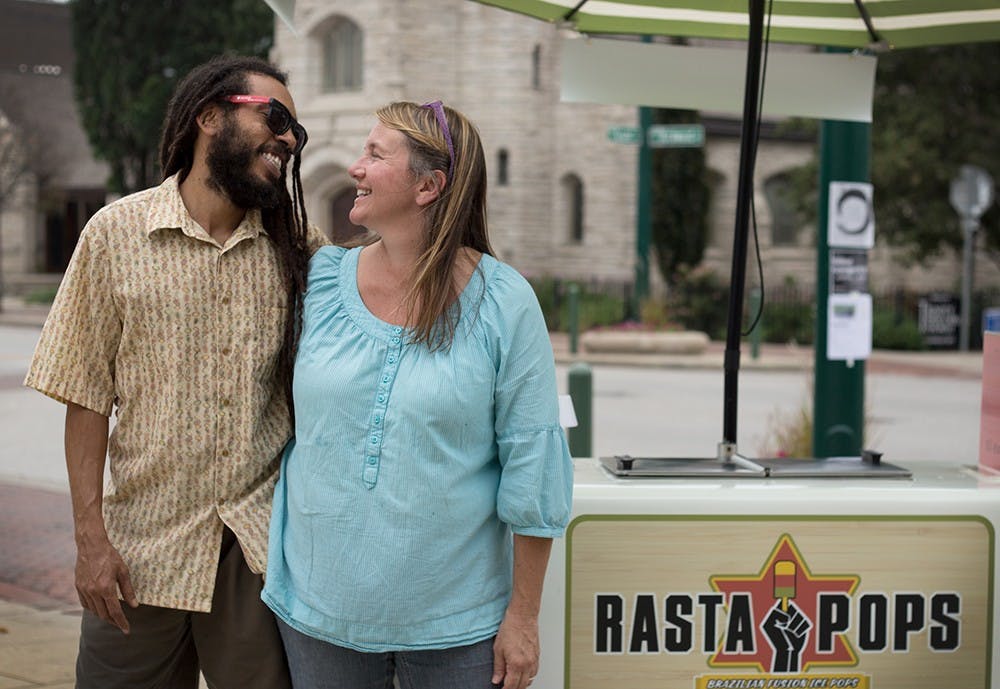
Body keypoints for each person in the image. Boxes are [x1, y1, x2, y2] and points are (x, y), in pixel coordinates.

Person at [24, 54, 326, 689]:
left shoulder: (299, 249)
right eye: (275, 119)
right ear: (209, 116)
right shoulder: (114, 234)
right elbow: (84, 394)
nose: (288, 141)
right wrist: (90, 543)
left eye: (296, 132)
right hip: (138, 553)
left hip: (255, 552)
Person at [262, 100, 574, 689]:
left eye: (376, 154)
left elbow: (533, 468)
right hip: (318, 614)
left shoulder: (505, 303)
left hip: (457, 629)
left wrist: (524, 619)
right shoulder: (322, 279)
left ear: (429, 185)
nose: (355, 167)